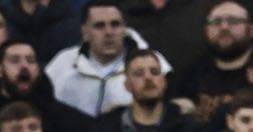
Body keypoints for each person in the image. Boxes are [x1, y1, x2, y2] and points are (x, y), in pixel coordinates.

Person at [44, 0, 172, 117]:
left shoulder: (154, 63)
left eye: (115, 24)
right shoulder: (62, 64)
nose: (108, 32)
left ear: (125, 27)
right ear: (84, 31)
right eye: (99, 26)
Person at [95, 48, 198, 132]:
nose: (148, 78)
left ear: (163, 81)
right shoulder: (105, 129)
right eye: (139, 74)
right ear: (127, 85)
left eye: (155, 72)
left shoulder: (189, 128)